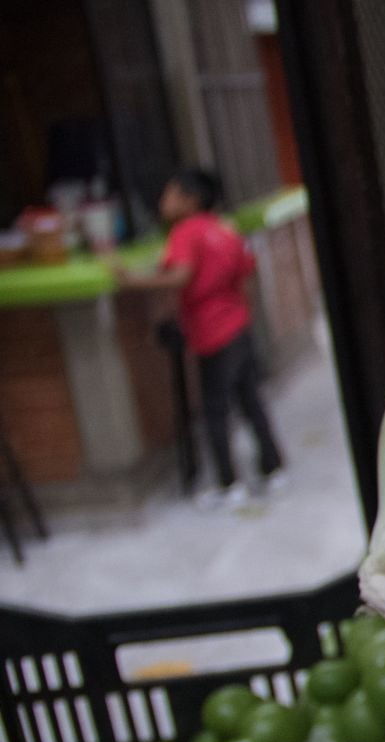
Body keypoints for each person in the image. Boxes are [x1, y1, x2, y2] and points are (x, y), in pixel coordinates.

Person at [118, 169, 284, 508]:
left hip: (212, 333)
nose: (163, 201)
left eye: (170, 194)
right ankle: (273, 466)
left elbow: (180, 276)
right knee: (250, 400)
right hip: (239, 323)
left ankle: (229, 482)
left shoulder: (186, 232)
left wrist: (131, 280)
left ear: (190, 200)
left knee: (215, 410)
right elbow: (246, 269)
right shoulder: (224, 228)